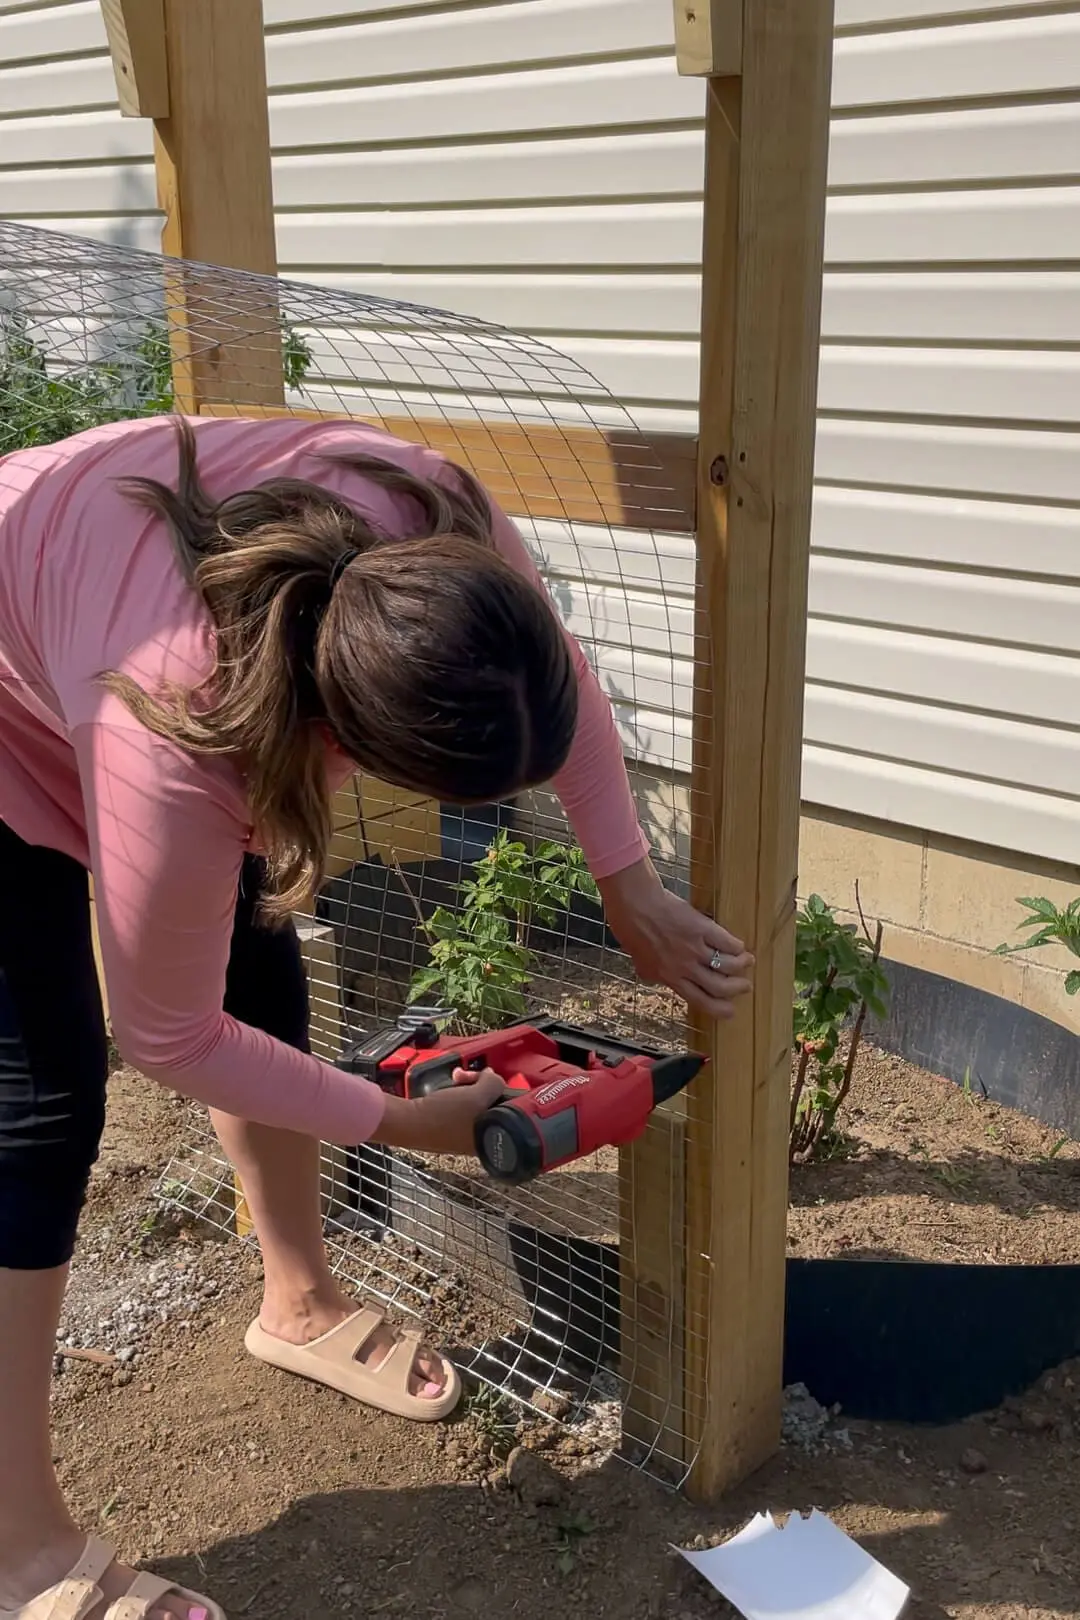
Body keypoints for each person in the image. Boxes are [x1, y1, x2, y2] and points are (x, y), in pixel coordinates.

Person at [0, 412, 753, 1620]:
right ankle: (17, 1544)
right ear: (336, 737)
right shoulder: (176, 723)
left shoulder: (447, 531)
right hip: (15, 671)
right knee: (34, 1103)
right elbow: (165, 1037)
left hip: (120, 580)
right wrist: (395, 1125)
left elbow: (552, 671)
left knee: (261, 962)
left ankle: (297, 1301)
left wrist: (632, 884)